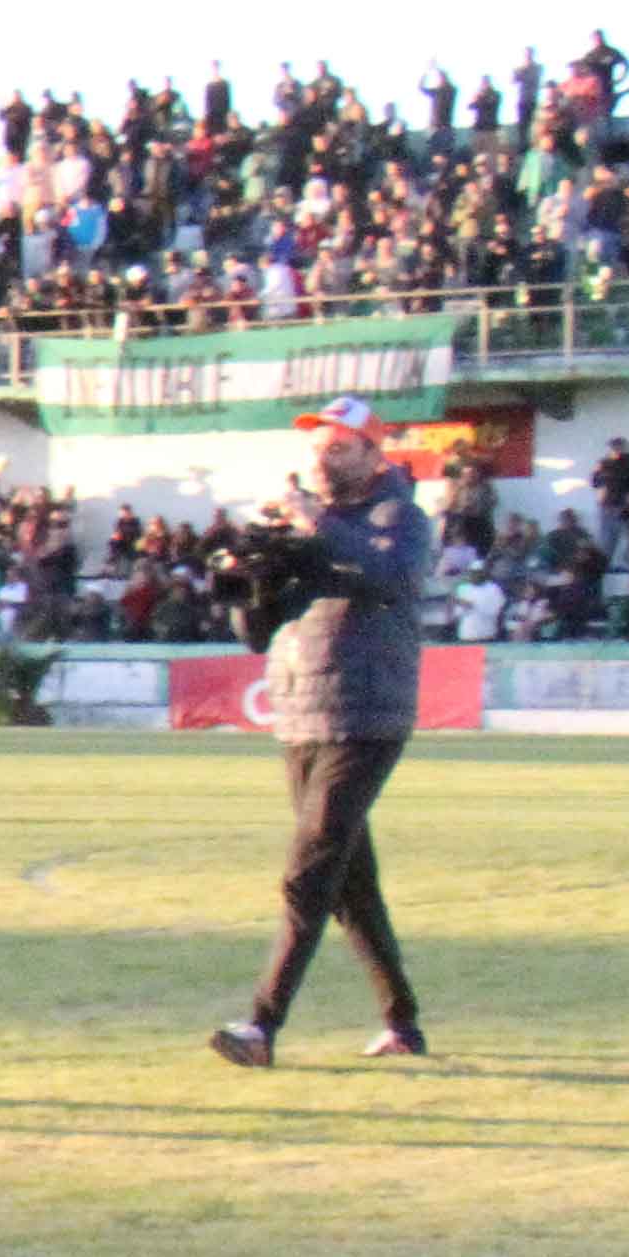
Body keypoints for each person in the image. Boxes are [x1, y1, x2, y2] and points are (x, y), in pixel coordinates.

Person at [209, 401, 434, 1068]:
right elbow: (257, 634)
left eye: (339, 446)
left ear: (374, 454)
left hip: (367, 713)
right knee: (349, 884)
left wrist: (315, 523)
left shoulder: (400, 517)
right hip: (303, 712)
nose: (322, 458)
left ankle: (260, 1026)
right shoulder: (315, 525)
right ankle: (403, 1025)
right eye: (315, 446)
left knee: (309, 875)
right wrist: (250, 578)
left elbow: (389, 574)